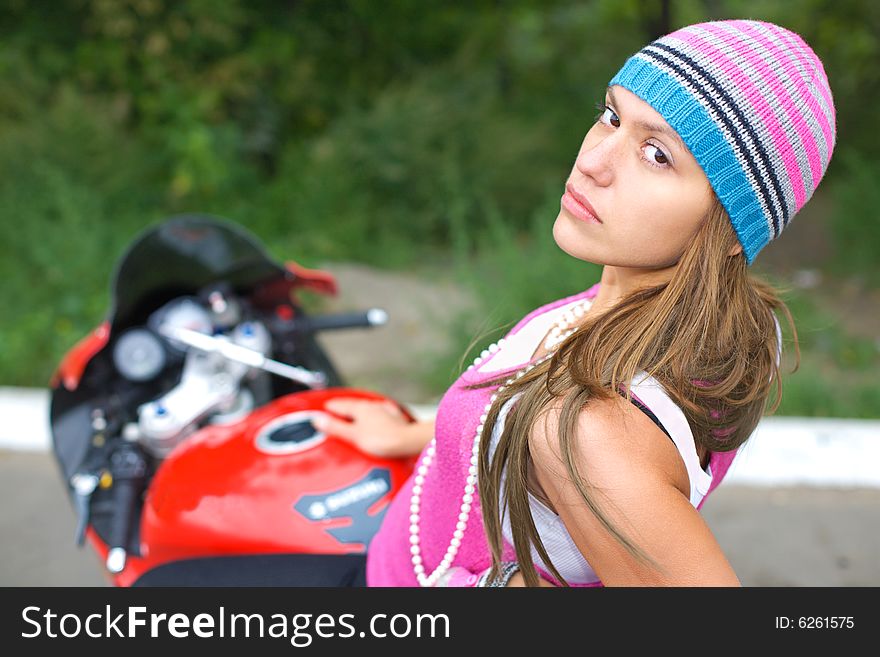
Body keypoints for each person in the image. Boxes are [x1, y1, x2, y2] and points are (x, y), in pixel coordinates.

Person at [311, 19, 836, 587]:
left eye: (656, 154)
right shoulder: (686, 316)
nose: (593, 161)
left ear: (734, 229)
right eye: (611, 116)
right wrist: (421, 431)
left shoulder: (590, 427)